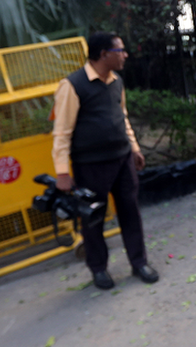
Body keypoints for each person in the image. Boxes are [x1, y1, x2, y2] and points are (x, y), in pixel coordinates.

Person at [51, 32, 159, 290]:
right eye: (120, 50)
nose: (125, 55)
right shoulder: (73, 86)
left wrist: (134, 148)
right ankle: (98, 269)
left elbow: (123, 117)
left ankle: (139, 262)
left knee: (130, 212)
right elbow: (62, 132)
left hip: (122, 160)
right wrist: (62, 172)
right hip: (90, 165)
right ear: (103, 54)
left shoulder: (116, 82)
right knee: (93, 219)